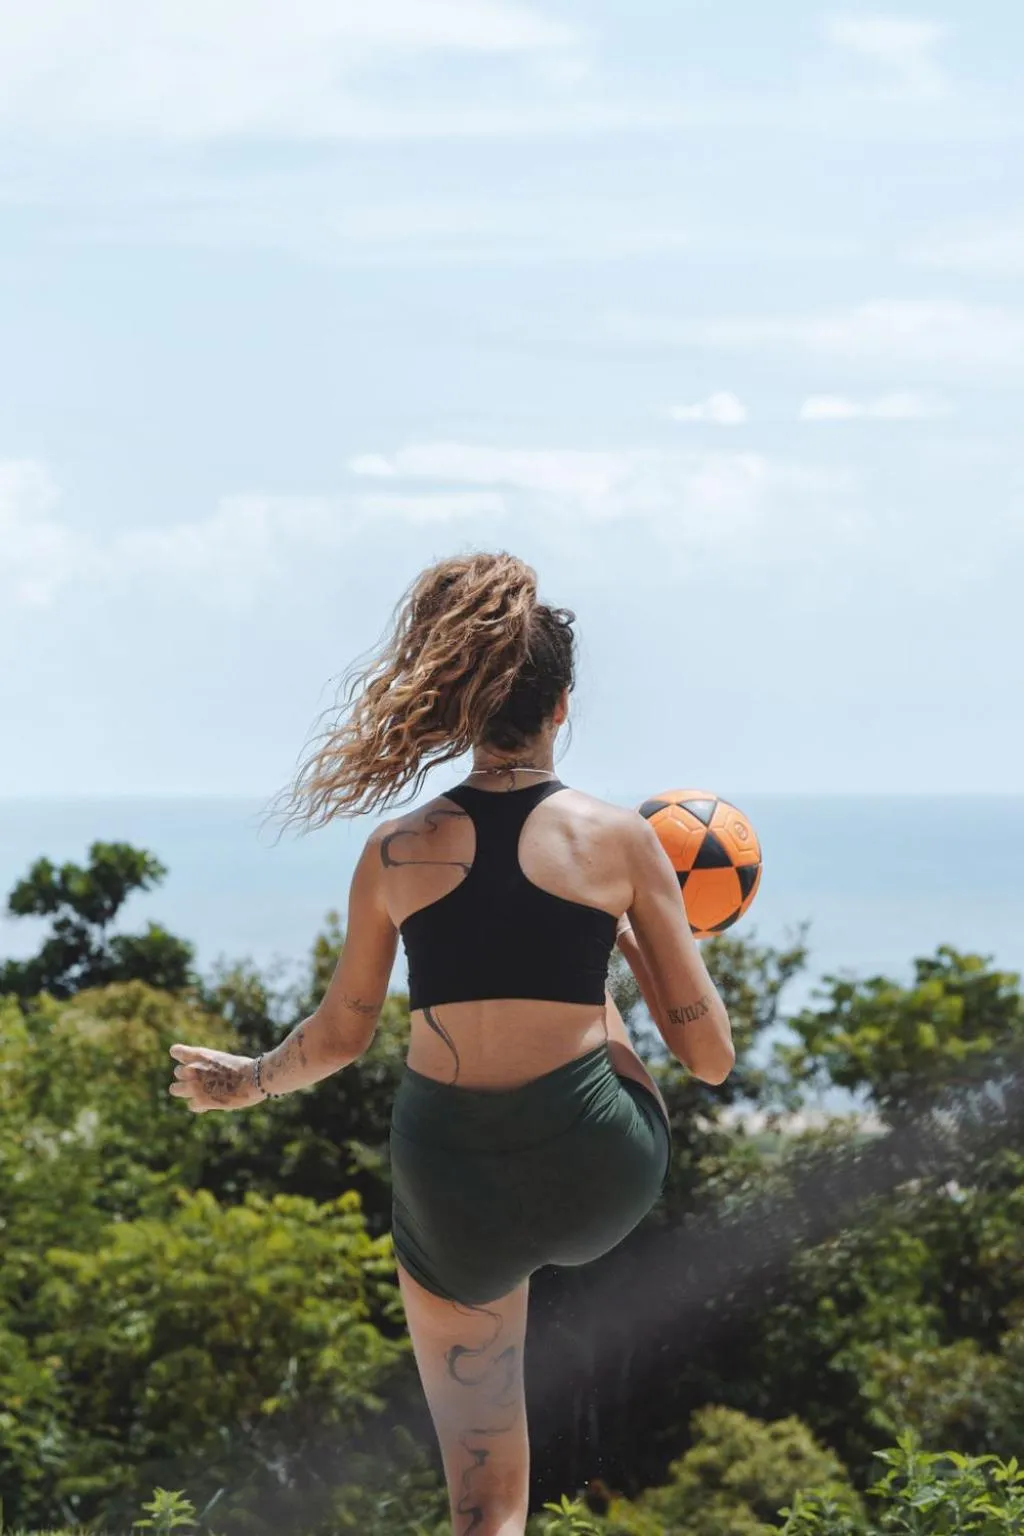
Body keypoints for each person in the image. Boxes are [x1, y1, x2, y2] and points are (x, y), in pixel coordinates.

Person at [169, 551, 734, 1536]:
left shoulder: (393, 849)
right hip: (599, 1168)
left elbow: (342, 1036)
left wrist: (247, 1083)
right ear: (562, 706)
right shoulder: (617, 839)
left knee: (484, 1503)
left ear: (464, 705)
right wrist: (640, 935)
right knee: (582, 1002)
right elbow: (710, 1059)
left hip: (452, 1183)